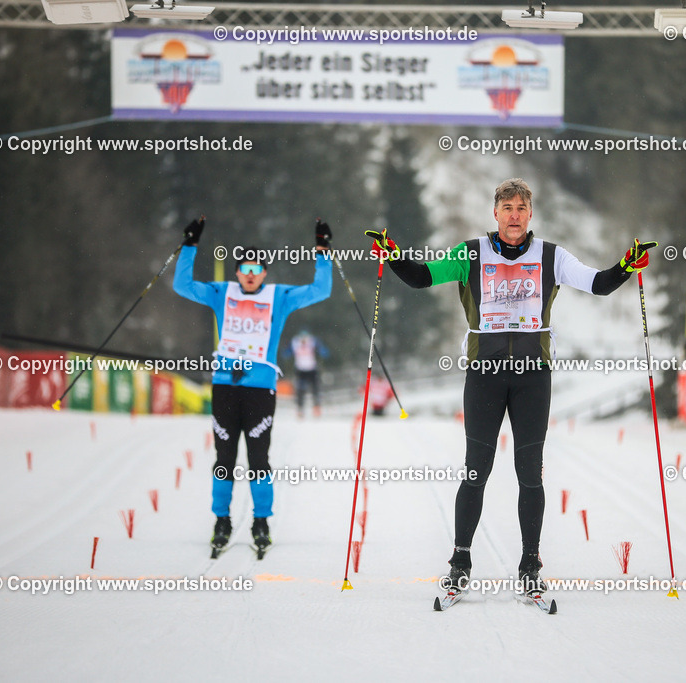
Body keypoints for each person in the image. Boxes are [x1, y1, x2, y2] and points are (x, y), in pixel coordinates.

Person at [366, 178, 655, 594]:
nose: (515, 215)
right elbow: (422, 277)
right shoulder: (470, 254)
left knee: (529, 474)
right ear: (495, 213)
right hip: (484, 375)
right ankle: (460, 559)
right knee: (475, 471)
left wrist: (626, 265)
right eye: (507, 208)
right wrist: (394, 257)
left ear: (530, 214)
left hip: (532, 378)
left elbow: (598, 283)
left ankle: (530, 563)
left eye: (521, 208)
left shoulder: (551, 256)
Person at [174, 217, 333, 555]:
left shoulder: (280, 297)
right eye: (243, 267)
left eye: (256, 268)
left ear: (264, 273)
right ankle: (222, 520)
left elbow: (321, 290)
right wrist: (189, 245)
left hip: (260, 391)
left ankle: (261, 521)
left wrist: (322, 250)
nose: (249, 273)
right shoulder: (222, 293)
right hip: (225, 388)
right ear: (236, 272)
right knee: (224, 458)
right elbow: (182, 286)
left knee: (259, 459)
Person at [285, 331, 328, 417]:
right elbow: (287, 352)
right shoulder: (295, 342)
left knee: (315, 389)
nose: (303, 341)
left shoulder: (312, 341)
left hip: (312, 369)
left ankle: (316, 407)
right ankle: (300, 409)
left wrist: (323, 351)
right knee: (300, 390)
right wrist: (287, 353)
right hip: (301, 370)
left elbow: (322, 350)